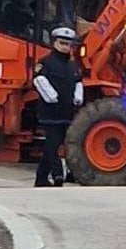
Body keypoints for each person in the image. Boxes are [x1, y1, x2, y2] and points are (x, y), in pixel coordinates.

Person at [33, 26, 83, 187]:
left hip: (67, 112)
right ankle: (57, 174)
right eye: (62, 43)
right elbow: (39, 80)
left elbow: (78, 82)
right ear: (54, 43)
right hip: (50, 113)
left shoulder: (72, 66)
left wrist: (78, 97)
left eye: (68, 44)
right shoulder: (46, 62)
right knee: (53, 144)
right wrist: (51, 96)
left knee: (54, 145)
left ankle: (41, 178)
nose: (65, 47)